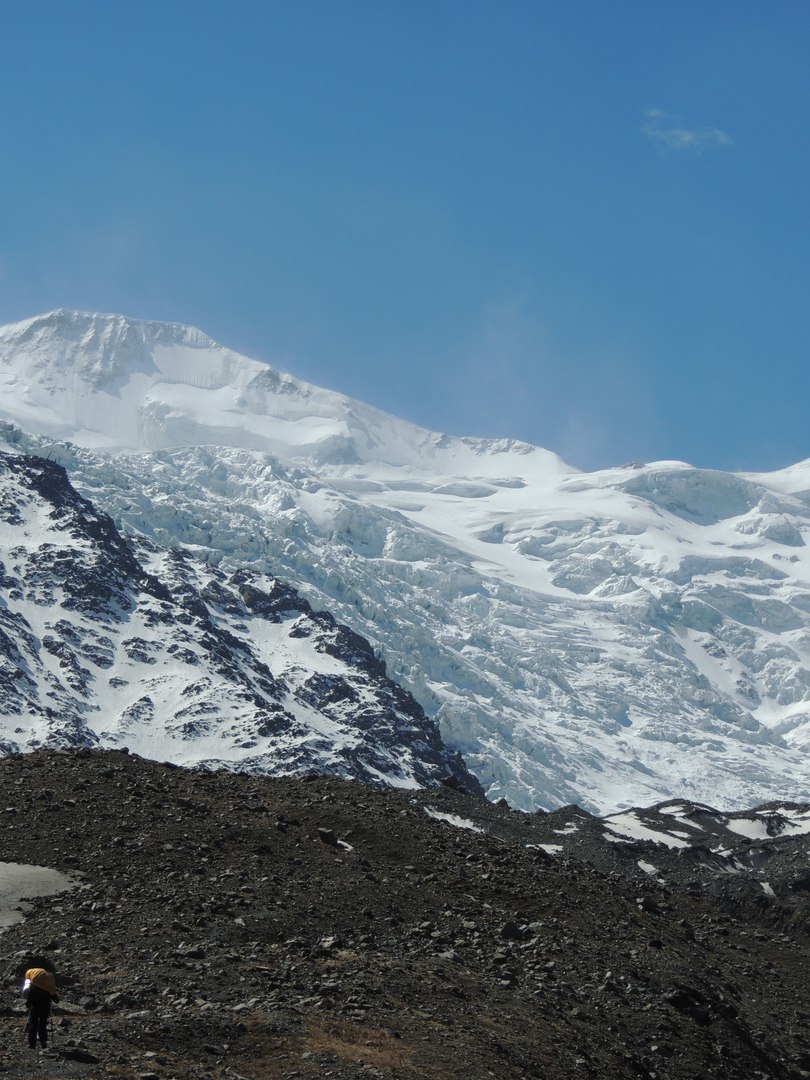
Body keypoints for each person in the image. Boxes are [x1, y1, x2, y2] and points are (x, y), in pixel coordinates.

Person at [22, 962, 59, 1050]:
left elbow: (29, 997)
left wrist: (28, 1003)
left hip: (35, 1007)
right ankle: (43, 1042)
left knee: (33, 1024)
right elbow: (55, 998)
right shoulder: (48, 983)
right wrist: (54, 998)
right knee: (43, 1025)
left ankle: (32, 1044)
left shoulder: (34, 986)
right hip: (45, 1007)